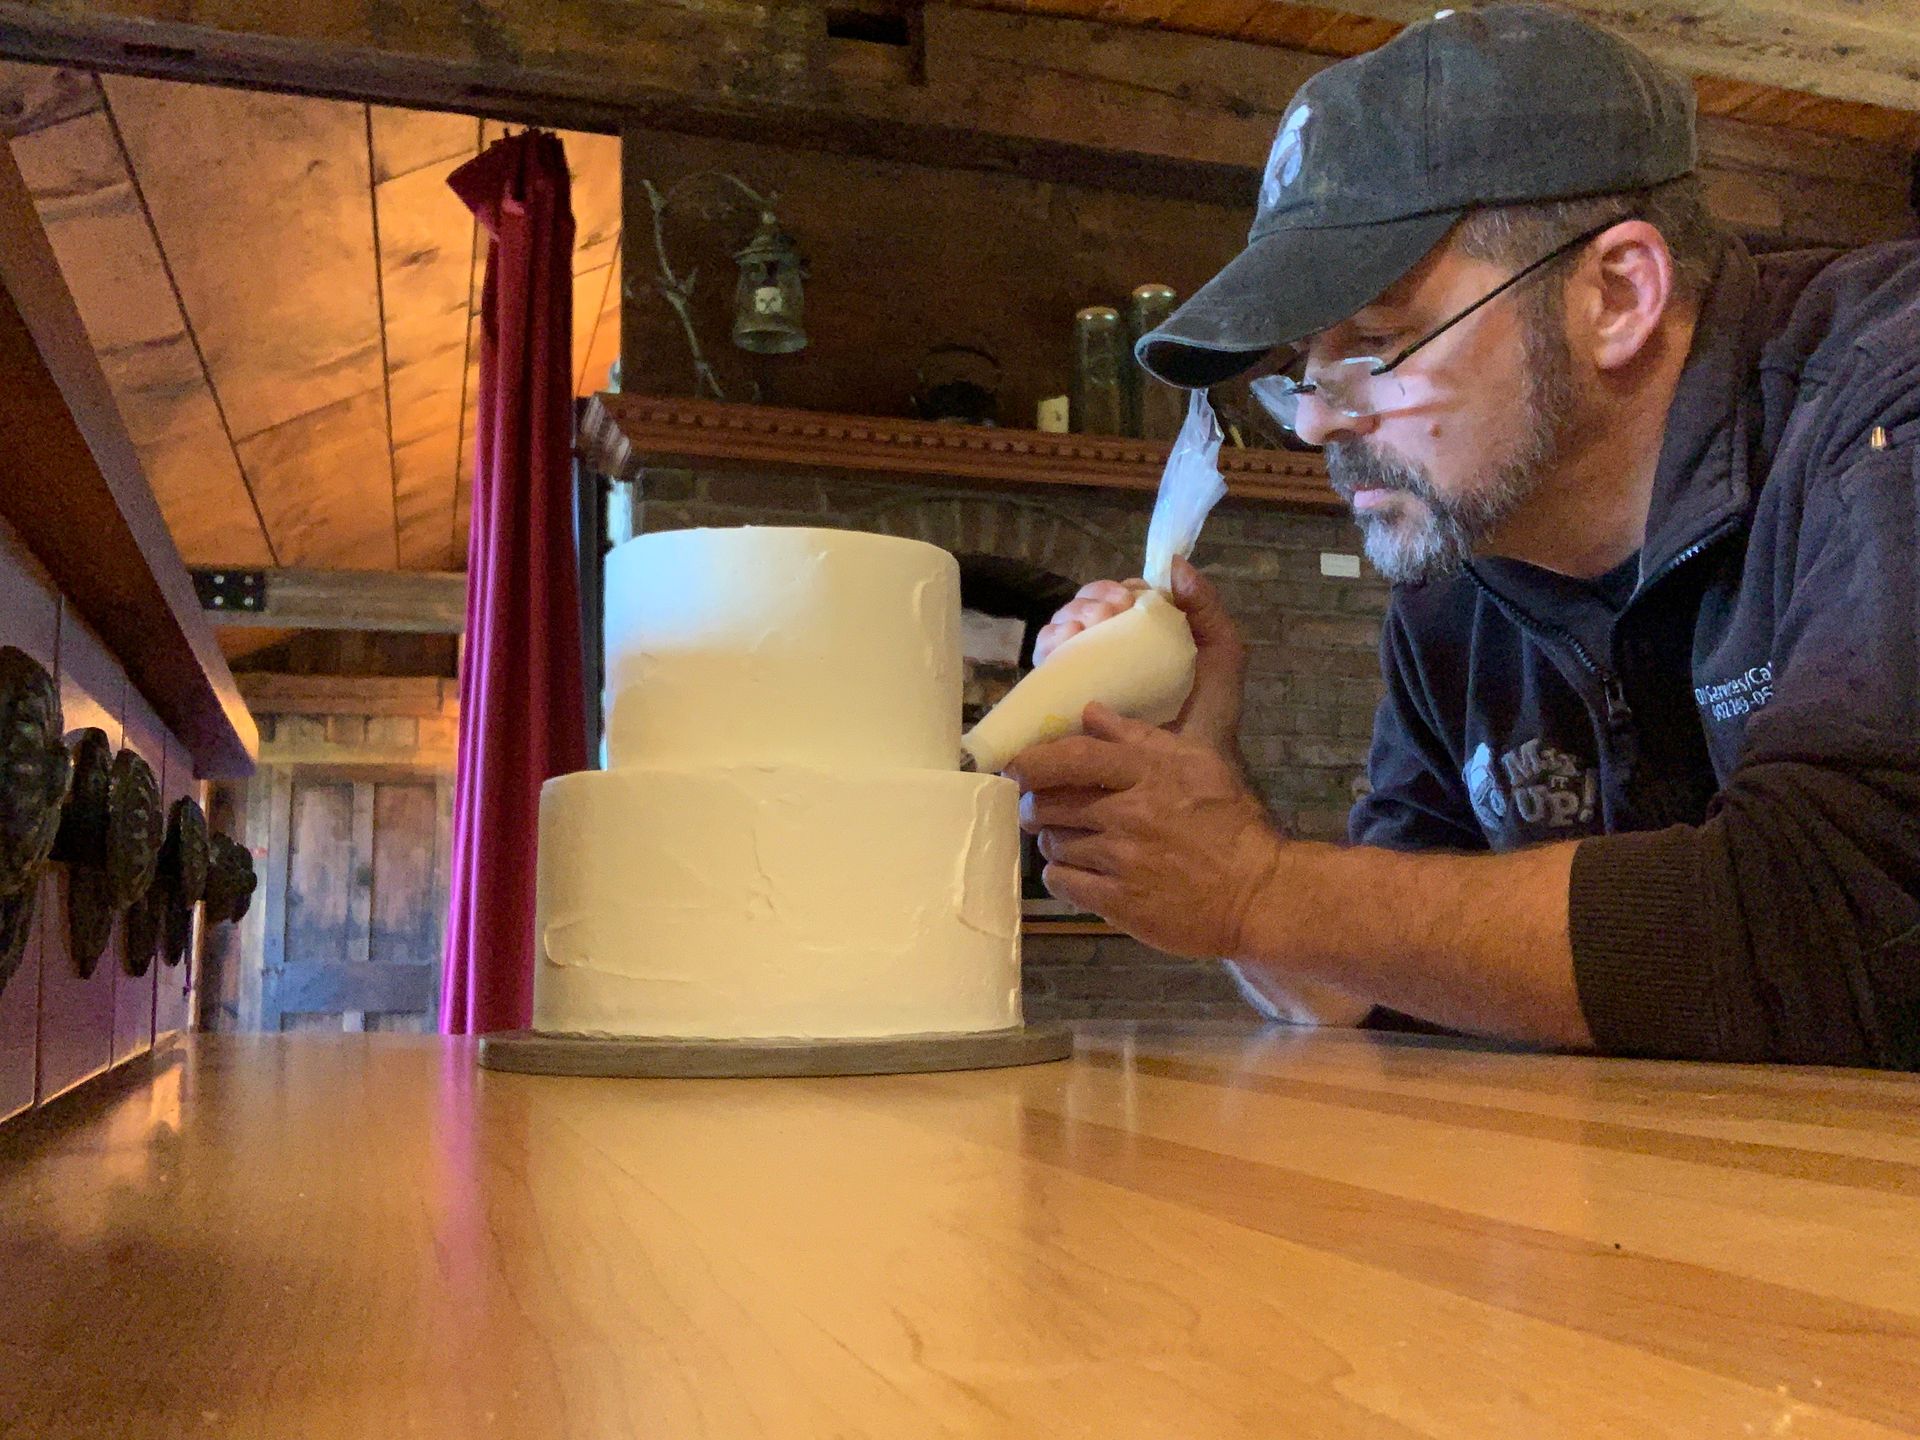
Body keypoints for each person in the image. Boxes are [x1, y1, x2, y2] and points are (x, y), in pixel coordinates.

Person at [1003, 3, 1920, 1066]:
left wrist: (1257, 885)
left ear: (1617, 294)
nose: (1313, 420)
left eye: (1380, 342)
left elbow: (1854, 928)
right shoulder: (1457, 583)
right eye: (1303, 367)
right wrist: (1200, 789)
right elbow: (1377, 984)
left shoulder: (1880, 405)